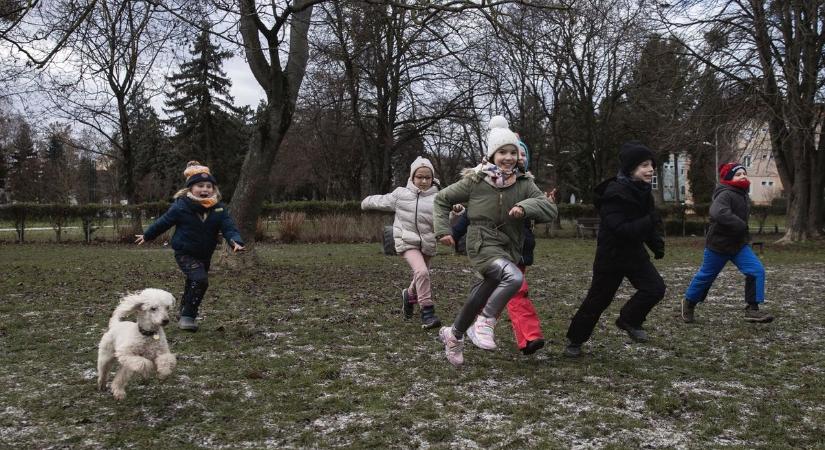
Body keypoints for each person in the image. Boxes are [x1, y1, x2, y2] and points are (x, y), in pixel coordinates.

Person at [433, 116, 557, 366]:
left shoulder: (524, 183)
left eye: (514, 152)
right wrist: (443, 230)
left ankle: (454, 335)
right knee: (514, 277)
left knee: (480, 293)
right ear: (491, 155)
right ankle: (485, 322)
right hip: (481, 242)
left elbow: (549, 210)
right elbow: (441, 199)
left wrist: (525, 206)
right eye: (503, 152)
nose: (509, 157)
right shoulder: (476, 181)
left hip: (509, 245)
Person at [564, 142, 666, 358]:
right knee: (598, 300)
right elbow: (622, 229)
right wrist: (650, 222)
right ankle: (575, 341)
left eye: (651, 165)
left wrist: (656, 244)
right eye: (644, 166)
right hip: (611, 256)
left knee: (655, 288)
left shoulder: (644, 192)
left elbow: (647, 223)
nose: (650, 169)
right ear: (631, 169)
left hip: (634, 253)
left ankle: (629, 319)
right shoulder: (615, 193)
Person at [135, 161, 244, 332]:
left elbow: (229, 228)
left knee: (193, 282)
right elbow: (164, 222)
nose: (205, 189)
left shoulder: (219, 209)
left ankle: (183, 309)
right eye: (200, 185)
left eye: (209, 186)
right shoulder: (181, 206)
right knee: (200, 280)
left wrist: (235, 241)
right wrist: (148, 235)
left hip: (205, 254)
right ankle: (188, 316)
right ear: (190, 188)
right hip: (184, 253)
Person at [682, 163, 774, 324]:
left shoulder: (743, 194)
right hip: (718, 245)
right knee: (706, 277)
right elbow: (718, 212)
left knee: (756, 270)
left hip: (739, 246)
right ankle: (689, 303)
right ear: (729, 177)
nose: (743, 176)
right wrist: (739, 224)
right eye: (738, 174)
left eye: (744, 173)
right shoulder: (725, 193)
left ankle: (752, 310)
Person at [361, 156, 442, 329]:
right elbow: (382, 200)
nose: (423, 181)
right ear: (412, 178)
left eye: (427, 177)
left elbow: (446, 215)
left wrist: (457, 210)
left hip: (427, 243)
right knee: (421, 272)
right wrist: (366, 202)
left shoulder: (438, 198)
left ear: (432, 178)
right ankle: (427, 312)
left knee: (421, 274)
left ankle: (409, 294)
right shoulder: (401, 194)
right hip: (407, 241)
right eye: (419, 177)